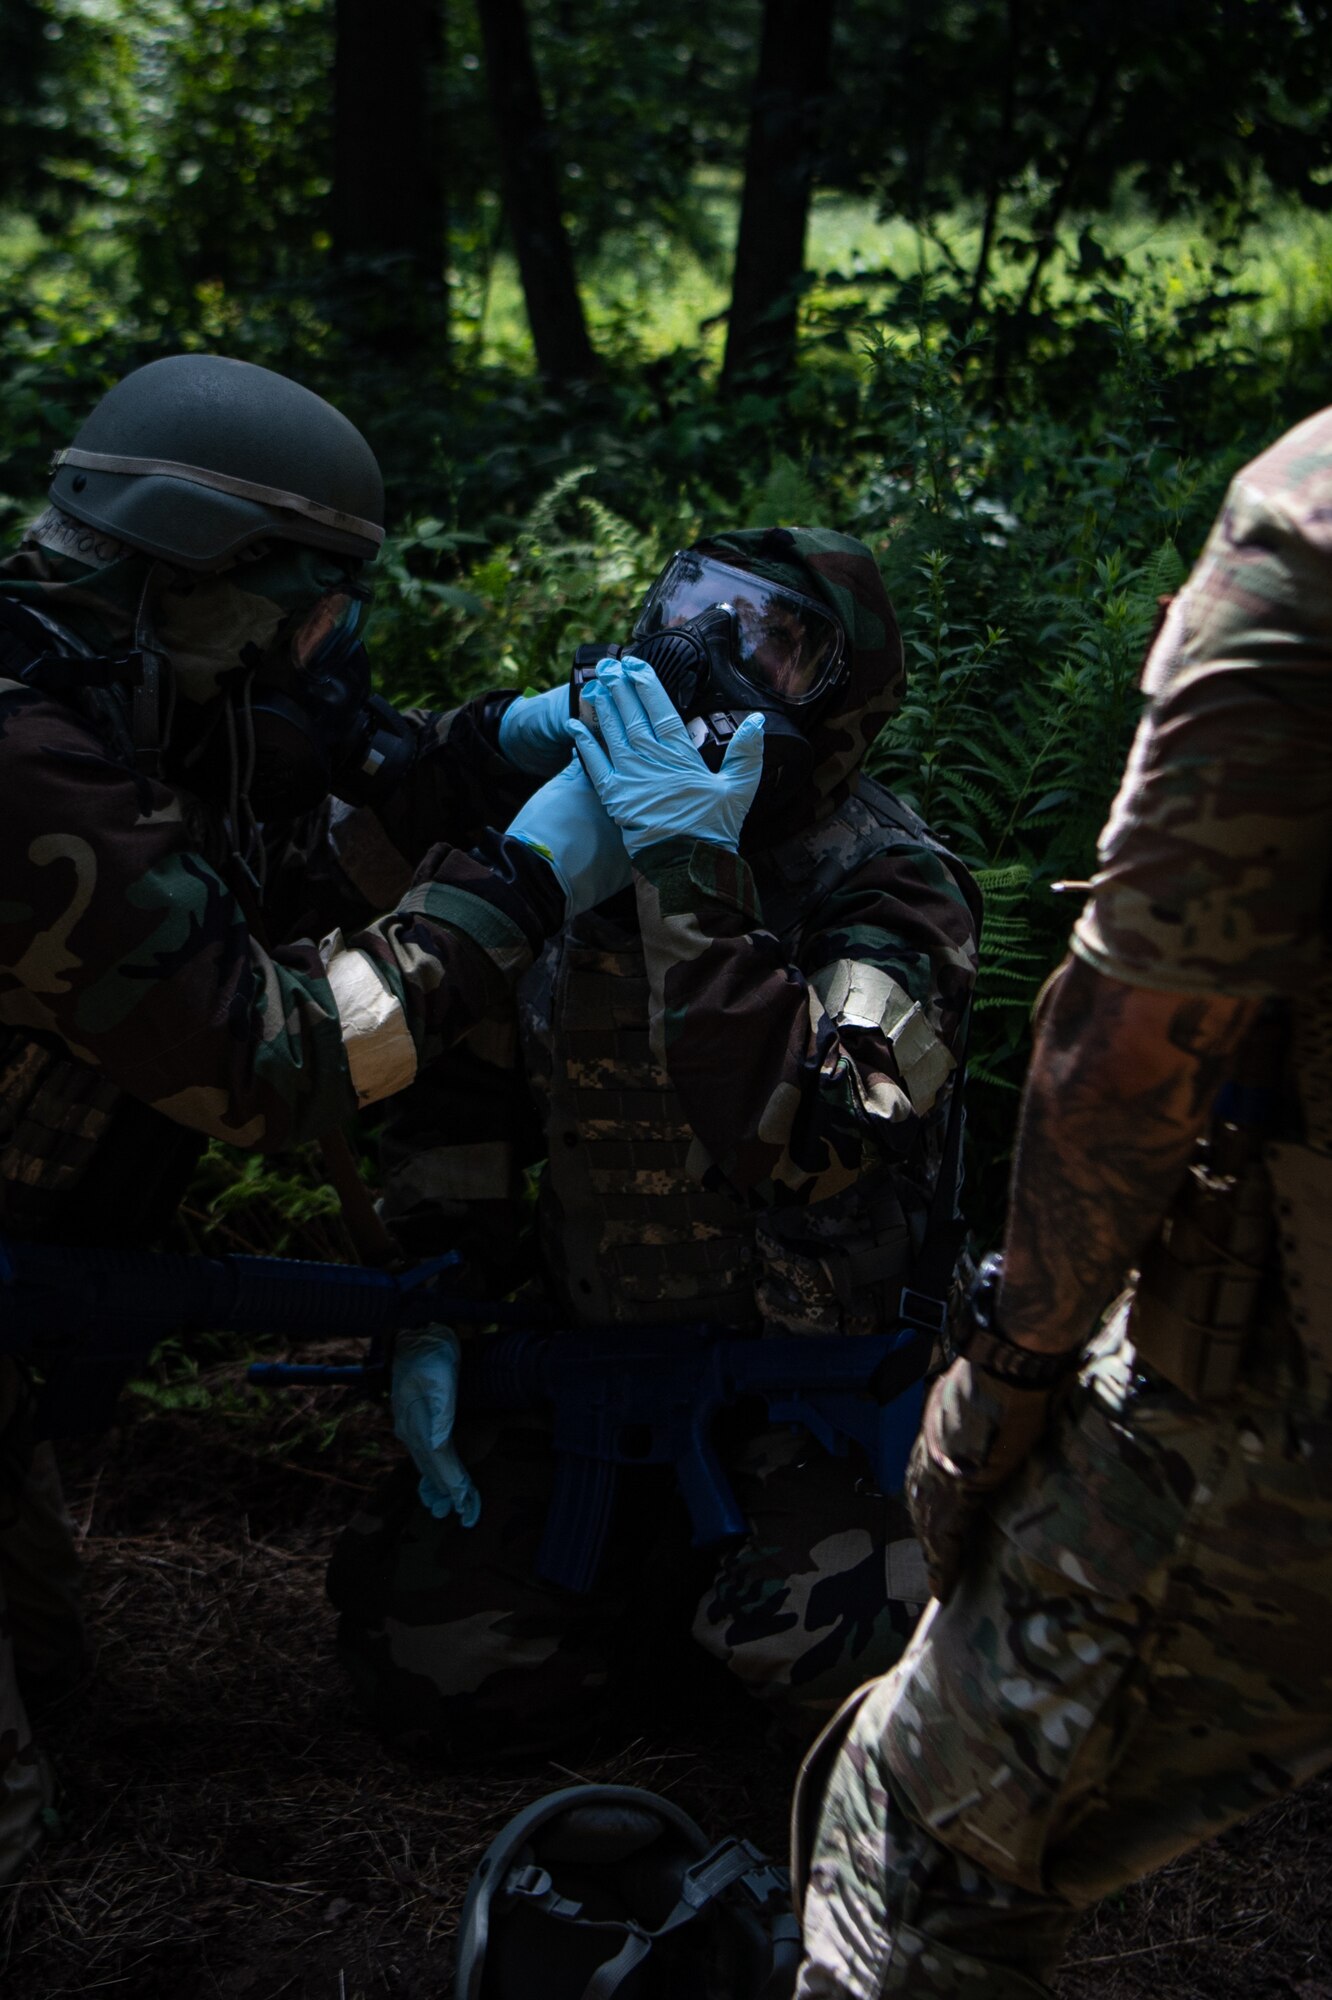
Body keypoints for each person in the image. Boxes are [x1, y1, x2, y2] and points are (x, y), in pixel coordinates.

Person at [0, 351, 628, 1881]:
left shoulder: (119, 696)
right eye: (302, 607)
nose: (316, 651)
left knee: (60, 1691)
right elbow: (270, 1052)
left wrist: (477, 755)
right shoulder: (27, 755)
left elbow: (272, 874)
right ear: (194, 565)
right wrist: (525, 882)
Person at [792, 408, 1332, 1997]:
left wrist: (1011, 1370)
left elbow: (1134, 1034)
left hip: (1286, 1405)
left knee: (915, 1842)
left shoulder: (1310, 512)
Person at [327, 527, 982, 1760]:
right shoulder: (569, 830)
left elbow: (820, 1137)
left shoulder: (891, 885)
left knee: (820, 1674)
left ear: (843, 704)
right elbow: (458, 1104)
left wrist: (690, 872)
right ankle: (631, 1606)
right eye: (694, 608)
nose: (704, 654)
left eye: (771, 646)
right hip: (593, 1367)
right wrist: (440, 1305)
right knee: (433, 1655)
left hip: (816, 1389)